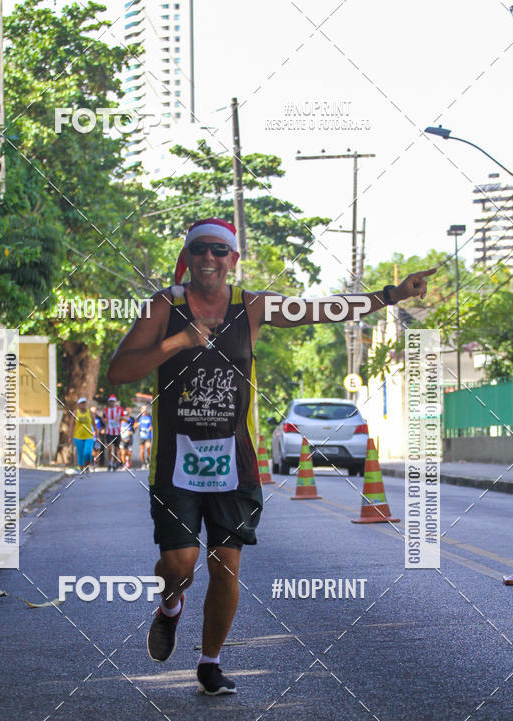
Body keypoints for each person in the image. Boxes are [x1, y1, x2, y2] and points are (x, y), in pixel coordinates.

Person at [108, 217, 435, 695]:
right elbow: (119, 371)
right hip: (176, 461)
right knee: (179, 564)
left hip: (235, 459)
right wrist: (178, 342)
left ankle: (210, 662)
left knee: (225, 563)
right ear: (188, 256)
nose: (209, 258)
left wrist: (391, 295)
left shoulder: (253, 306)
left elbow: (322, 309)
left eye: (219, 250)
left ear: (233, 259)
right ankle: (170, 606)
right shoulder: (164, 306)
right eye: (199, 249)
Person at [71, 397, 97, 474]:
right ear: (78, 405)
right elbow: (71, 425)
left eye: (84, 403)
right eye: (81, 403)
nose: (83, 405)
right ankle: (82, 469)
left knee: (87, 453)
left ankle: (87, 466)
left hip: (89, 436)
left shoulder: (90, 413)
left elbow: (94, 425)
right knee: (80, 454)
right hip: (78, 437)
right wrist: (69, 437)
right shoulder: (75, 413)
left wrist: (97, 435)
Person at [102, 394, 124, 470]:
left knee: (117, 449)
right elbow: (103, 418)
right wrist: (104, 420)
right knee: (110, 448)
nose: (112, 403)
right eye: (110, 401)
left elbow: (126, 418)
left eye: (113, 401)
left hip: (117, 432)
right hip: (109, 432)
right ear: (108, 402)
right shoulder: (106, 410)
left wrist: (120, 417)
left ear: (115, 402)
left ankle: (115, 463)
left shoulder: (120, 409)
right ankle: (110, 463)